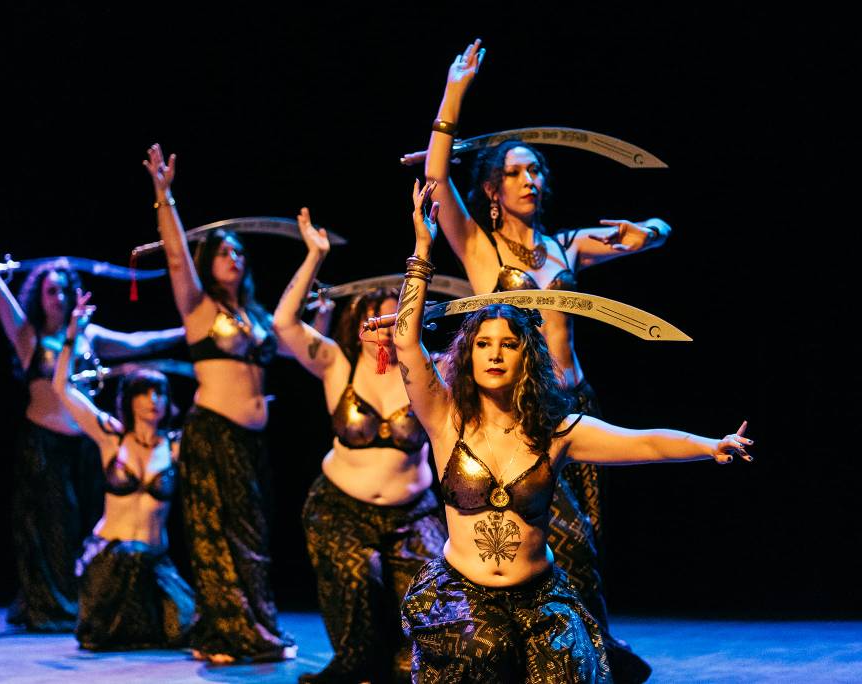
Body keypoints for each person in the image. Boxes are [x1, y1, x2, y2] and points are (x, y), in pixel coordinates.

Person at [391, 181, 751, 683]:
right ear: (467, 357)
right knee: (480, 652)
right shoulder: (445, 418)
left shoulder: (557, 431)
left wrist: (708, 445)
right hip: (462, 597)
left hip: (538, 597)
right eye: (483, 344)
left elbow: (643, 441)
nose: (495, 354)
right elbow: (406, 343)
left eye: (509, 344)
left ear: (527, 358)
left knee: (566, 668)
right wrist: (422, 250)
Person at [423, 40, 673, 679]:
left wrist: (647, 230)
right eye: (515, 172)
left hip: (572, 407)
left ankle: (576, 653)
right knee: (558, 540)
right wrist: (455, 92)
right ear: (491, 188)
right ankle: (574, 653)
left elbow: (658, 231)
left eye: (536, 170)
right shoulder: (478, 248)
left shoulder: (566, 247)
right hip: (516, 417)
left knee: (583, 545)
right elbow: (435, 180)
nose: (530, 180)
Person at [0, 214, 186, 632]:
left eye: (63, 289)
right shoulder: (28, 337)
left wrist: (191, 329)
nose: (58, 297)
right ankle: (55, 606)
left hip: (86, 447)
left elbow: (140, 341)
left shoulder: (88, 336)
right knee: (53, 526)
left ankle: (91, 597)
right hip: (43, 446)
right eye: (50, 290)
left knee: (87, 523)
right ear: (39, 297)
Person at [273, 208, 447, 683]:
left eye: (393, 320)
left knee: (424, 610)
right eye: (374, 321)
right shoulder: (336, 363)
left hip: (412, 511)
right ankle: (357, 663)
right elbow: (284, 323)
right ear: (358, 323)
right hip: (340, 508)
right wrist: (315, 255)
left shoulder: (427, 370)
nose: (382, 330)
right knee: (354, 585)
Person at [142, 144, 295, 663]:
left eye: (240, 253)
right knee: (216, 537)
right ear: (209, 262)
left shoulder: (256, 315)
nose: (235, 257)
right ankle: (228, 633)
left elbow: (298, 343)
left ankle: (249, 624)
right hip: (212, 435)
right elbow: (175, 257)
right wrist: (165, 196)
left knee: (252, 535)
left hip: (250, 442)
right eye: (225, 252)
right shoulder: (199, 307)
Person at [50, 290, 196, 650]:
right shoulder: (111, 438)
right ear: (129, 400)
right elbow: (61, 387)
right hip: (111, 560)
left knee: (183, 630)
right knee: (105, 635)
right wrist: (72, 334)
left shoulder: (175, 447)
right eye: (144, 393)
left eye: (160, 394)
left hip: (155, 564)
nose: (153, 401)